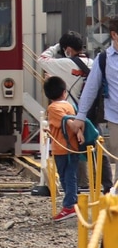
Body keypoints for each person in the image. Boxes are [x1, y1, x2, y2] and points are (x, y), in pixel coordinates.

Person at [78, 16, 118, 195]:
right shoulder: (103, 60)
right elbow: (90, 89)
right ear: (114, 35)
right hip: (115, 118)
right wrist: (80, 116)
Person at [46, 74, 83, 221]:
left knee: (66, 176)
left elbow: (66, 121)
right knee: (71, 175)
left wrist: (75, 128)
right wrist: (79, 131)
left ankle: (69, 206)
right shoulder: (69, 105)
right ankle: (72, 202)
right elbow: (73, 120)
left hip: (61, 148)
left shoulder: (53, 108)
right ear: (64, 92)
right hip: (73, 147)